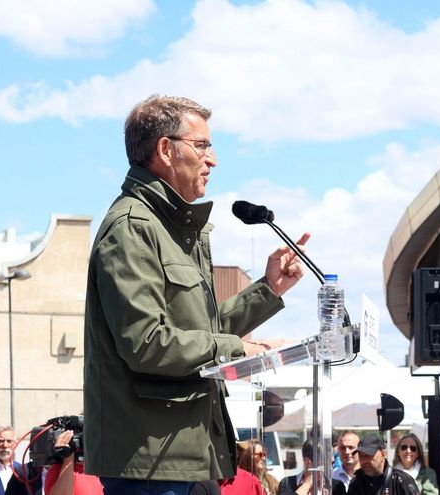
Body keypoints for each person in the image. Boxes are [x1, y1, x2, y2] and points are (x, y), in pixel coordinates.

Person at [83, 94, 309, 495]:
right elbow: (146, 343)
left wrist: (268, 290)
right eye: (202, 145)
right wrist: (239, 350)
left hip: (187, 456)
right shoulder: (133, 227)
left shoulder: (172, 226)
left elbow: (201, 330)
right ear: (166, 150)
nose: (213, 159)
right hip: (151, 464)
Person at [346, 433, 418, 495]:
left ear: (383, 454)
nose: (364, 461)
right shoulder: (355, 483)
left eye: (368, 455)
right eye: (361, 456)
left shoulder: (401, 480)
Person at [277, 440, 345, 495]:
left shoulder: (336, 486)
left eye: (332, 463)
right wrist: (308, 483)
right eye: (325, 463)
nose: (331, 467)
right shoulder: (287, 483)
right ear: (308, 462)